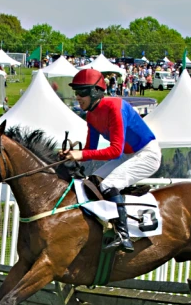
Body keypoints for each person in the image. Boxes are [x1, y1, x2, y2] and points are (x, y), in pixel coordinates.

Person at [61, 69, 161, 253]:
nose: (78, 97)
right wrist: (71, 154)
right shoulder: (91, 115)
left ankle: (124, 235)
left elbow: (115, 150)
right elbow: (90, 149)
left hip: (147, 154)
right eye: (76, 92)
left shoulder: (115, 107)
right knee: (92, 183)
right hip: (129, 155)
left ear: (95, 92)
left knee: (108, 185)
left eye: (82, 92)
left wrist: (81, 155)